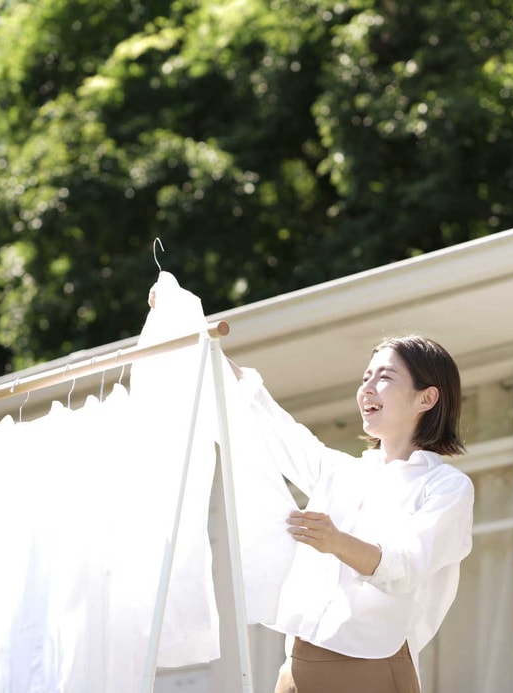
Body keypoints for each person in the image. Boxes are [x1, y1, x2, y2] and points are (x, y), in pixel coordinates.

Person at [149, 291, 474, 693]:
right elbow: (267, 418)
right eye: (365, 377)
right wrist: (188, 326)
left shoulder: (446, 486)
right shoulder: (341, 472)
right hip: (297, 667)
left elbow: (405, 566)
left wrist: (337, 542)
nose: (368, 388)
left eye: (384, 377)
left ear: (427, 397)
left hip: (370, 668)